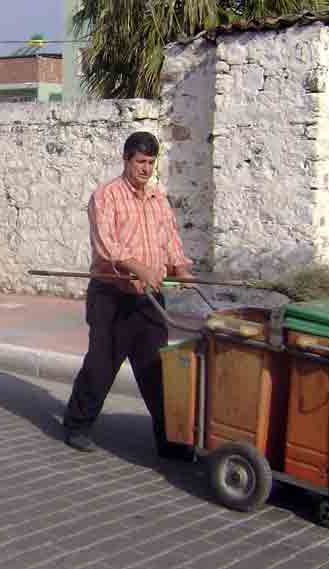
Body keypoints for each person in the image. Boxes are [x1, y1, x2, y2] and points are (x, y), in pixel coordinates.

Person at [63, 131, 195, 460]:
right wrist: (138, 267)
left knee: (155, 369)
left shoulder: (158, 199)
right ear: (126, 160)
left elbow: (170, 239)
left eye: (150, 162)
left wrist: (181, 268)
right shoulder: (105, 196)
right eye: (140, 162)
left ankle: (171, 440)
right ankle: (77, 425)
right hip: (112, 295)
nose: (145, 169)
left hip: (148, 298)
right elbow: (106, 245)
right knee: (101, 364)